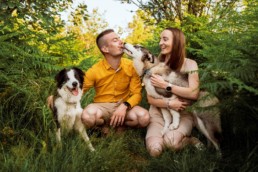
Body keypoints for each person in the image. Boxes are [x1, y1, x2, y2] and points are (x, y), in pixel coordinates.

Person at [145, 28, 203, 157]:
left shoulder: (190, 64)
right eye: (160, 39)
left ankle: (190, 140)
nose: (160, 43)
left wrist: (166, 86)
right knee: (155, 151)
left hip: (182, 115)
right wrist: (169, 103)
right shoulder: (156, 66)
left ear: (177, 42)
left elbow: (194, 94)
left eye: (165, 39)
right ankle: (161, 134)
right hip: (158, 113)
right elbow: (150, 99)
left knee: (171, 144)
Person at [81, 29, 150, 133]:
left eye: (119, 39)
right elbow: (79, 91)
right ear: (105, 49)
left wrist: (124, 106)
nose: (121, 42)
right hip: (101, 107)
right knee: (87, 117)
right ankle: (103, 125)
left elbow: (137, 94)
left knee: (144, 118)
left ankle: (121, 125)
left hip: (124, 105)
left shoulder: (131, 66)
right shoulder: (94, 70)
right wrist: (57, 98)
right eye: (115, 40)